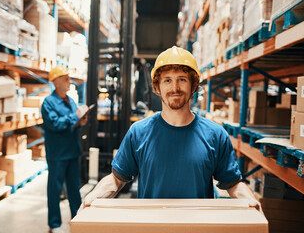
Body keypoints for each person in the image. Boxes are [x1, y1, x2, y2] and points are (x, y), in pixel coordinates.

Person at [79, 46, 261, 212]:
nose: (175, 88)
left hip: (199, 227)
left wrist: (251, 202)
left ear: (193, 86)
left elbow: (233, 183)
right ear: (157, 88)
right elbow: (116, 179)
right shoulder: (139, 132)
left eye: (182, 79)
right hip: (152, 226)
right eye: (167, 80)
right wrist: (92, 196)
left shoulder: (215, 134)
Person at [41, 65, 88, 233]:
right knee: (55, 188)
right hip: (57, 153)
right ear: (56, 82)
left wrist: (79, 122)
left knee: (74, 187)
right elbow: (54, 124)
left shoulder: (71, 100)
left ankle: (77, 219)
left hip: (72, 151)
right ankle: (54, 224)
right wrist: (73, 117)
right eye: (66, 79)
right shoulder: (48, 103)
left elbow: (70, 123)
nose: (69, 82)